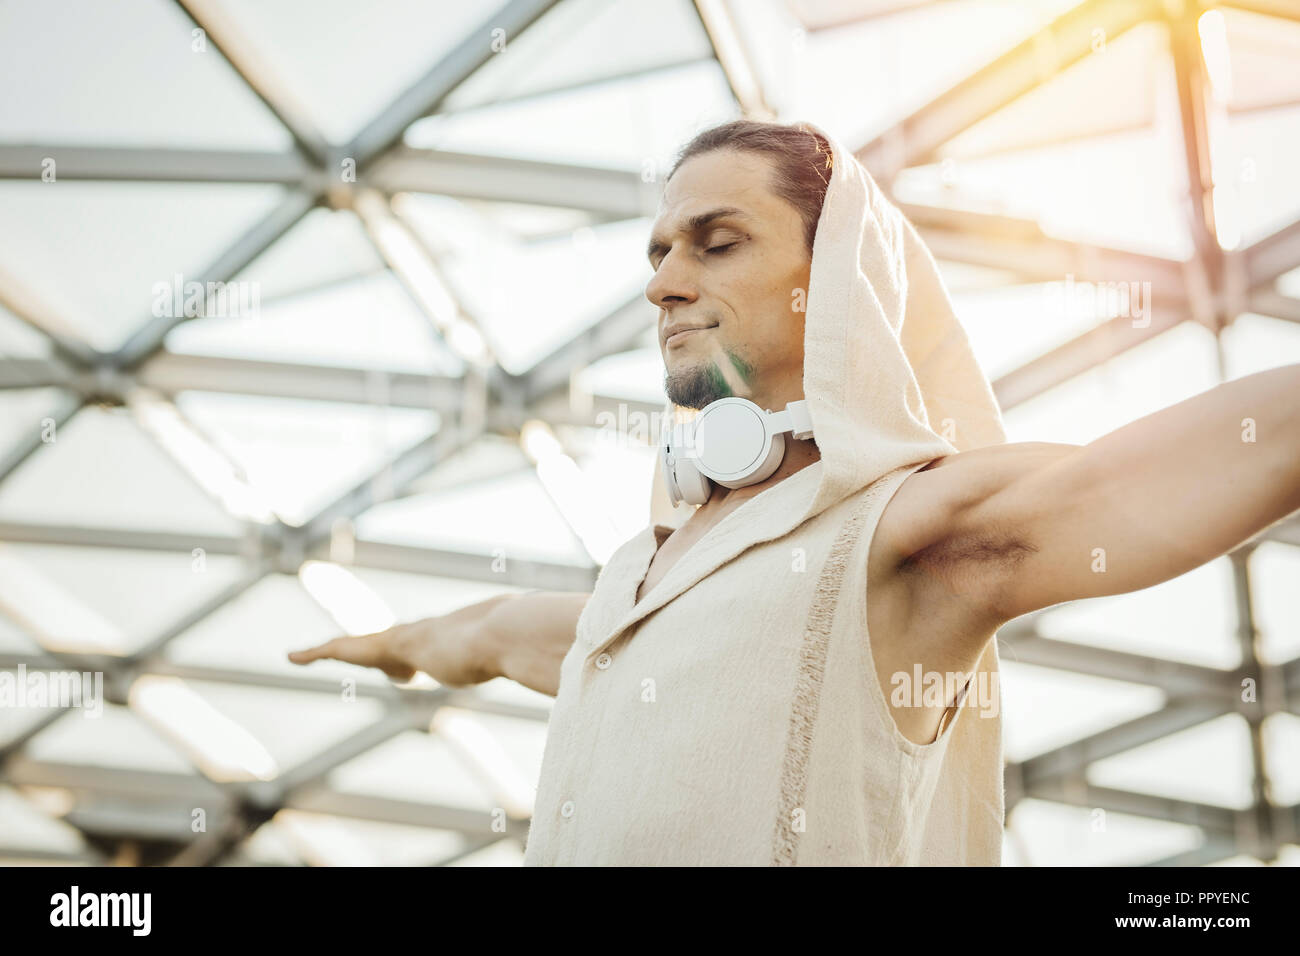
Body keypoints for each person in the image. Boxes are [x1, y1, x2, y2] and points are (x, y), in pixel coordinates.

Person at [289, 119, 1300, 865]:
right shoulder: (634, 584)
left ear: (839, 283)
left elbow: (1141, 475)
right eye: (657, 251)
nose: (662, 284)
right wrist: (395, 641)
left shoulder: (901, 533)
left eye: (715, 242)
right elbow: (509, 629)